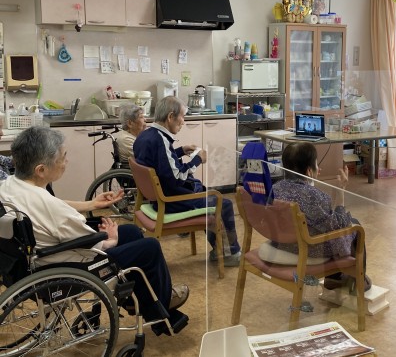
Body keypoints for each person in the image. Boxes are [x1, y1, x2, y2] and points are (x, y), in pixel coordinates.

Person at [0, 126, 190, 336]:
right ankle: (162, 312)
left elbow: (52, 206)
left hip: (26, 263)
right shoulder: (53, 208)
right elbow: (91, 245)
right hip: (67, 266)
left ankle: (138, 301)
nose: (66, 161)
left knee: (132, 233)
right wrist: (110, 241)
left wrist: (91, 204)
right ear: (41, 170)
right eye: (63, 157)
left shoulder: (9, 186)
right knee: (149, 247)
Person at [133, 96, 241, 267]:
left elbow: (160, 163)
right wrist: (197, 160)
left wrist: (181, 151)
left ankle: (220, 249)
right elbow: (177, 177)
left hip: (157, 197)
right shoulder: (160, 141)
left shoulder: (145, 136)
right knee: (223, 203)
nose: (183, 121)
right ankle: (229, 254)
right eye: (182, 116)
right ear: (171, 117)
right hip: (171, 201)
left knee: (205, 192)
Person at [271, 142, 371, 292]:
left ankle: (334, 279)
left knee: (327, 225)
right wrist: (341, 190)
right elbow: (339, 225)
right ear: (309, 171)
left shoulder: (274, 188)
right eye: (316, 165)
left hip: (282, 244)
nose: (318, 168)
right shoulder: (316, 196)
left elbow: (318, 215)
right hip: (309, 248)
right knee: (355, 226)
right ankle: (358, 281)